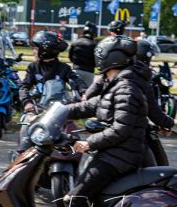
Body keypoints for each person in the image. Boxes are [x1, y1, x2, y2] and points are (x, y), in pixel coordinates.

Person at [63, 36, 148, 206]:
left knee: (73, 199)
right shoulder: (115, 84)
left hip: (119, 156)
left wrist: (89, 143)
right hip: (112, 152)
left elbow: (120, 129)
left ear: (110, 58)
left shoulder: (125, 89)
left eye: (100, 54)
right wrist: (55, 112)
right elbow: (87, 106)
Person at [17, 30, 87, 153]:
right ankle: (20, 161)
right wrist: (27, 102)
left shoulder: (64, 68)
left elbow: (77, 81)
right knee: (25, 134)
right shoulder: (33, 68)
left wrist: (84, 93)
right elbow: (24, 87)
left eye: (35, 48)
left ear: (45, 50)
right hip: (37, 111)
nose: (34, 51)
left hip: (59, 112)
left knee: (74, 138)